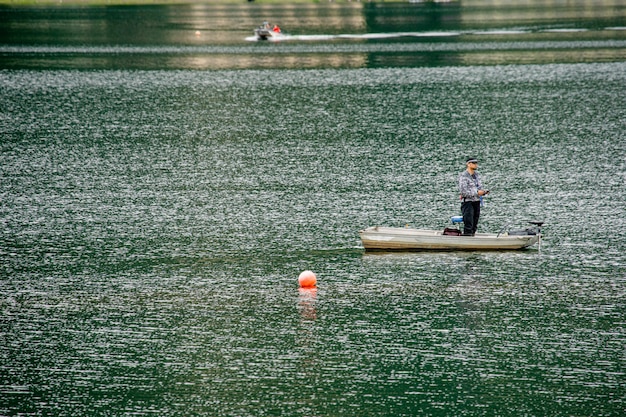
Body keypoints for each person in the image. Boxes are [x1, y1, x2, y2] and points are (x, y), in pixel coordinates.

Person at [458, 157, 489, 236]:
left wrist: (484, 192)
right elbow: (463, 192)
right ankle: (467, 239)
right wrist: (477, 192)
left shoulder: (477, 175)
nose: (476, 165)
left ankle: (473, 237)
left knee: (475, 223)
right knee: (469, 223)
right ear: (468, 164)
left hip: (476, 201)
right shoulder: (463, 176)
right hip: (467, 202)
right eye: (473, 163)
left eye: (476, 163)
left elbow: (479, 187)